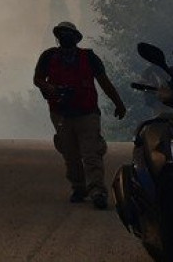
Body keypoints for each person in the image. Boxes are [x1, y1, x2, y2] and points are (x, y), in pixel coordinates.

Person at [33, 21, 126, 210]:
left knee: (91, 153)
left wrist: (119, 103)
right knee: (70, 154)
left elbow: (104, 82)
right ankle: (79, 187)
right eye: (62, 34)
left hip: (87, 113)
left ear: (76, 38)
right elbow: (37, 79)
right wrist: (51, 88)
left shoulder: (89, 57)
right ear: (58, 38)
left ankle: (97, 191)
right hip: (61, 114)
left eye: (69, 33)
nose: (65, 37)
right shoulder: (49, 56)